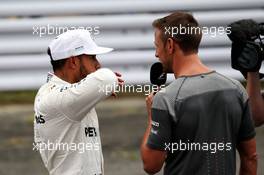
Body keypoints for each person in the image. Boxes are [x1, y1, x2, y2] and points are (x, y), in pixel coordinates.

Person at [140, 12, 257, 175]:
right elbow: (250, 157)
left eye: (156, 46)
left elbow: (151, 165)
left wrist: (152, 117)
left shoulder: (166, 98)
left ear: (170, 45)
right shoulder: (236, 89)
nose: (156, 54)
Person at [34, 29, 123, 175]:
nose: (98, 64)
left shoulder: (62, 93)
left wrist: (99, 87)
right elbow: (106, 78)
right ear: (73, 61)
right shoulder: (56, 97)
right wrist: (104, 82)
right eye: (92, 57)